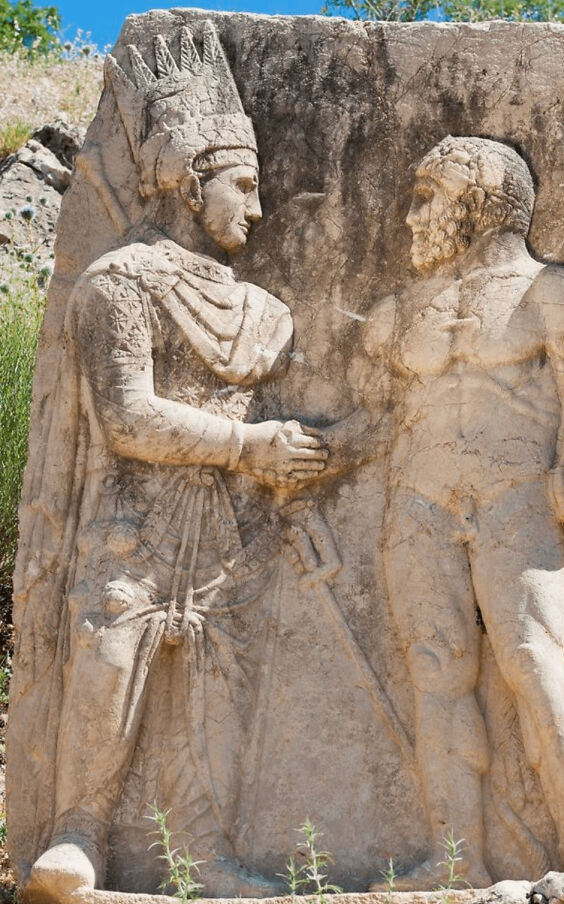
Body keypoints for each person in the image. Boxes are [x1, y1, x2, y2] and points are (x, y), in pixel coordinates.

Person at [8, 23, 327, 900]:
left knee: (215, 691)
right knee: (113, 660)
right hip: (129, 523)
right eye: (242, 186)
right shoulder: (119, 284)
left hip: (228, 531)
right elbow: (128, 418)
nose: (255, 211)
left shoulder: (261, 308)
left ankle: (206, 853)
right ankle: (77, 833)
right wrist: (249, 447)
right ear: (192, 181)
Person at [364, 136, 564, 894]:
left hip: (515, 498)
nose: (411, 214)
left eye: (428, 195)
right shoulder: (400, 312)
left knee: (531, 659)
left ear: (479, 204)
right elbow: (377, 423)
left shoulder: (553, 294)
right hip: (418, 500)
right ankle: (454, 855)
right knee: (437, 672)